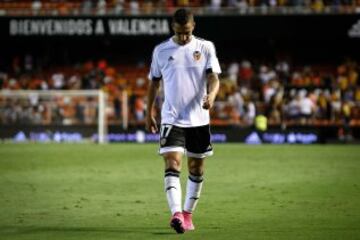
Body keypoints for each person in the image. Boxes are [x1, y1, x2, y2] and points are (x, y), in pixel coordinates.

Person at [145, 8, 221, 234]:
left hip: (199, 118)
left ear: (193, 26)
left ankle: (188, 214)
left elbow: (214, 77)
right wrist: (149, 111)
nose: (184, 37)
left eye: (187, 32)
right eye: (179, 33)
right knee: (172, 163)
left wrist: (212, 96)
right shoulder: (161, 51)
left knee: (196, 168)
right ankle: (176, 213)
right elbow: (154, 83)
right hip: (171, 117)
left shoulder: (205, 47)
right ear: (173, 28)